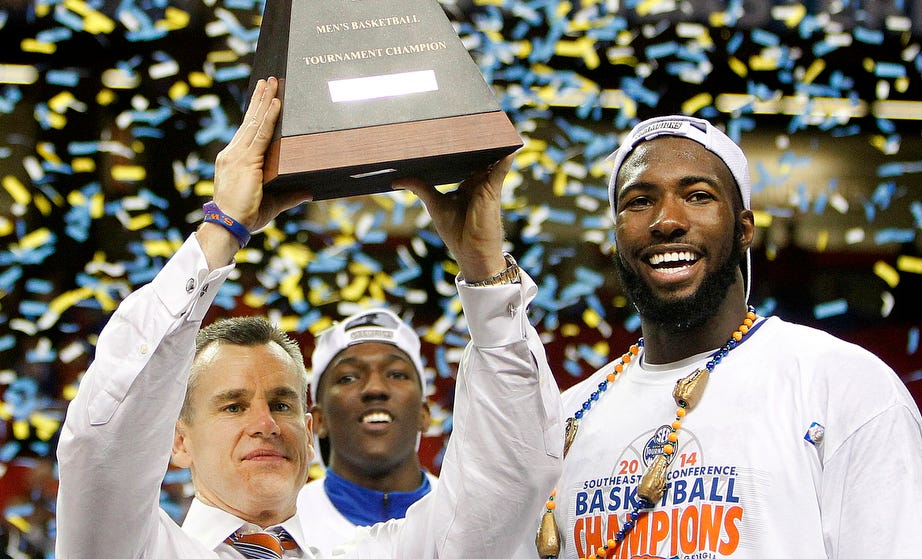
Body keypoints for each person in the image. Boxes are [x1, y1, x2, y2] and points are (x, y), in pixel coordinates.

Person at [55, 76, 563, 558]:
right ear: (178, 440)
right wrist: (220, 232)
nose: (265, 424)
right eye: (232, 406)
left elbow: (511, 479)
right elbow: (100, 449)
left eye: (282, 404)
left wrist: (485, 272)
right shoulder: (132, 548)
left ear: (311, 426)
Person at [508, 115, 922, 559]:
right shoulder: (570, 416)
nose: (666, 221)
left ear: (744, 230)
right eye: (639, 201)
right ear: (616, 237)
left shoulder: (842, 385)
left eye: (698, 196)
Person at [297, 308, 437, 551]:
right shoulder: (280, 526)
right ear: (318, 421)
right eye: (348, 378)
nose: (375, 388)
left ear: (423, 414)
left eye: (396, 374)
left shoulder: (474, 515)